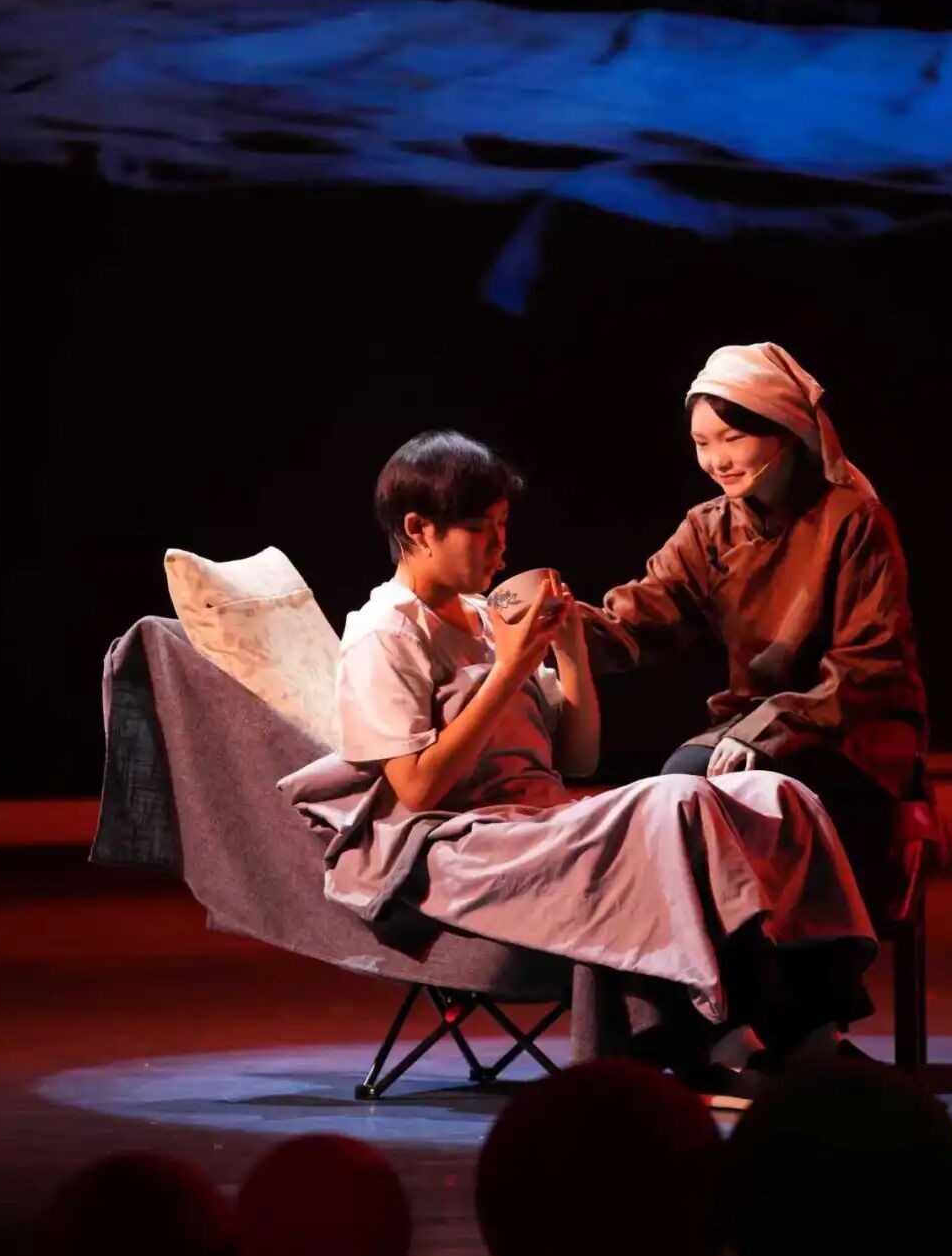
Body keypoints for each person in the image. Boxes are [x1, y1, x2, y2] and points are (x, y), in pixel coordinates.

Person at [328, 428, 876, 1105]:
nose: (501, 547)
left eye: (504, 526)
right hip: (457, 844)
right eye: (481, 530)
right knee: (678, 799)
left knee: (770, 792)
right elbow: (416, 787)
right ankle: (723, 1043)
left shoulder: (487, 618)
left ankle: (816, 1026)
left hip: (538, 824)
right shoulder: (383, 632)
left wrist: (568, 652)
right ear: (418, 529)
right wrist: (510, 670)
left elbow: (578, 758)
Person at [580, 341, 930, 1059]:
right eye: (701, 443)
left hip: (849, 735)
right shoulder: (709, 528)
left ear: (786, 431)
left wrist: (770, 729)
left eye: (732, 438)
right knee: (674, 798)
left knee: (691, 782)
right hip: (753, 737)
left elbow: (867, 665)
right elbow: (640, 618)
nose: (716, 459)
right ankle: (731, 1026)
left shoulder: (853, 518)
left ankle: (792, 1026)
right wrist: (550, 628)